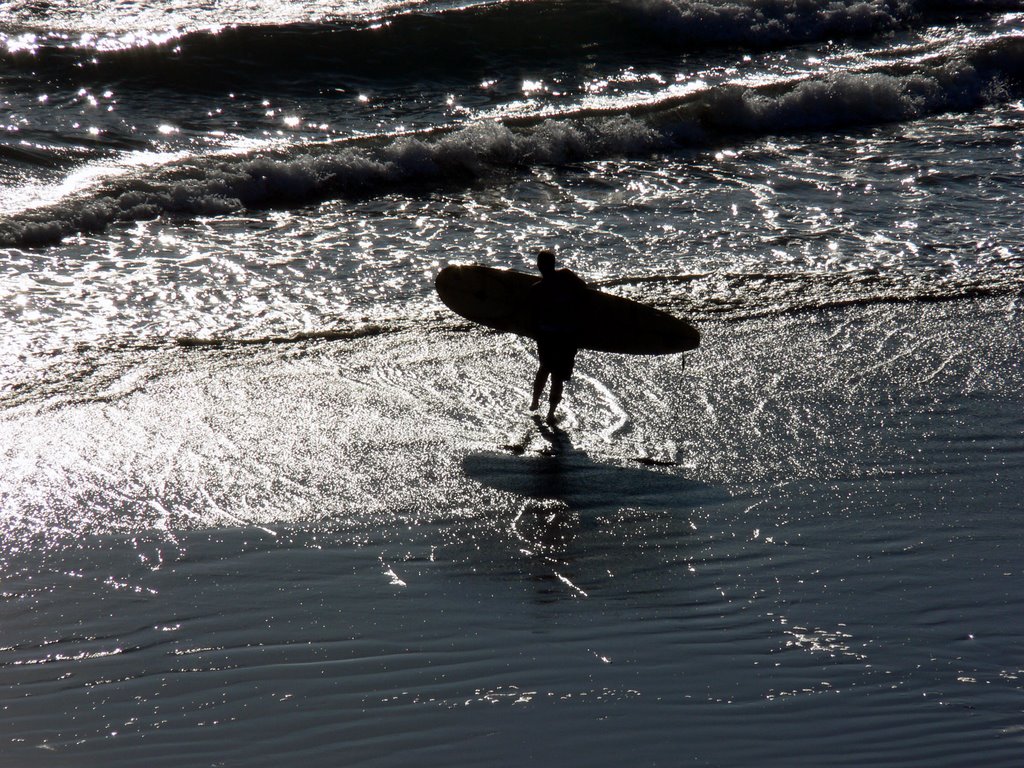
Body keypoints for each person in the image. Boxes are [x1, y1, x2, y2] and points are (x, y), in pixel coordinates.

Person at [529, 249, 588, 424]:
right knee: (557, 375)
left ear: (539, 265)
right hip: (567, 335)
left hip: (548, 334)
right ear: (554, 264)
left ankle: (535, 401)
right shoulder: (566, 276)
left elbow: (531, 316)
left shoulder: (537, 290)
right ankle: (550, 413)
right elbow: (584, 289)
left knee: (545, 368)